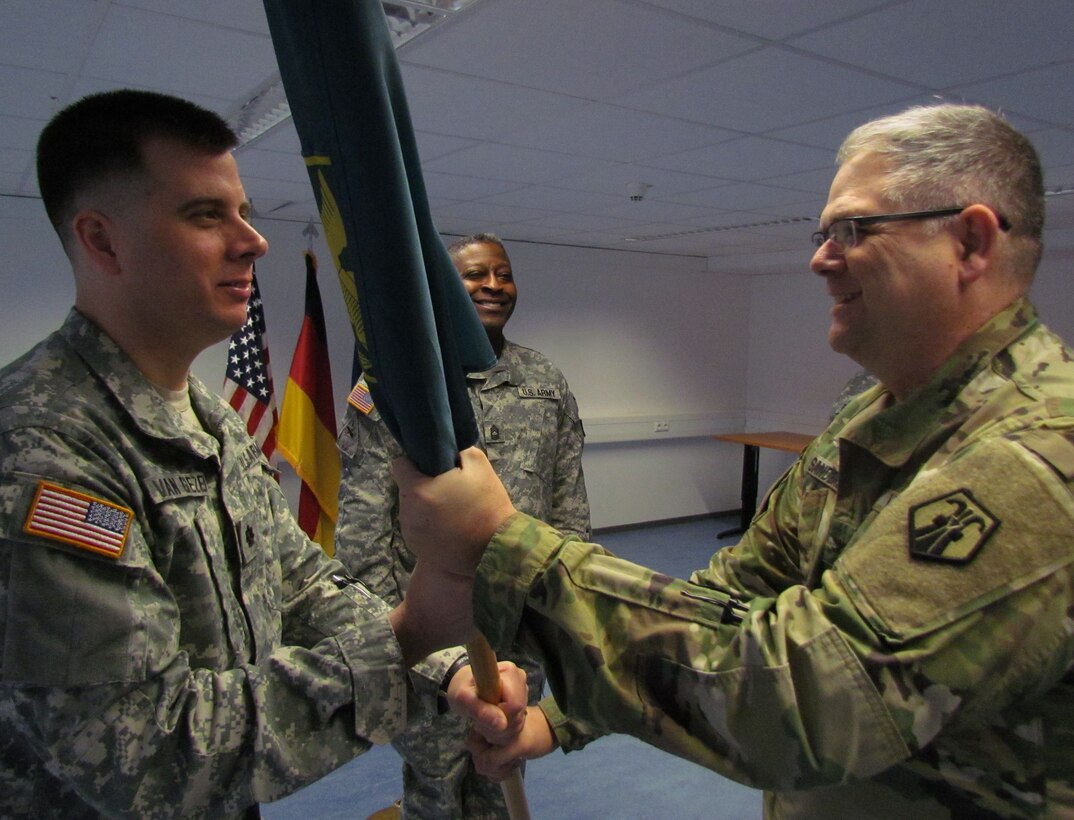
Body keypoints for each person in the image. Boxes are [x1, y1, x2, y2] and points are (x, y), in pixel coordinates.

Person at [392, 102, 1074, 818]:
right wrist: (561, 721)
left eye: (853, 228)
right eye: (823, 232)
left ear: (969, 242)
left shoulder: (1039, 451)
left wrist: (506, 545)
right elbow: (731, 598)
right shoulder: (873, 417)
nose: (819, 257)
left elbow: (810, 701)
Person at [0, 89, 524, 819]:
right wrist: (408, 636)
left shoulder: (208, 419)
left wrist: (444, 673)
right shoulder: (44, 447)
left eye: (241, 212)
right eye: (205, 215)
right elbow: (144, 761)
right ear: (102, 240)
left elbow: (300, 586)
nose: (253, 240)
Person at [336, 232, 590, 818]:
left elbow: (569, 514)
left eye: (502, 274)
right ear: (443, 291)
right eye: (475, 276)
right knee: (435, 783)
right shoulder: (396, 390)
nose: (493, 286)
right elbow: (360, 542)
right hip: (433, 639)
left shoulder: (545, 382)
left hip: (521, 633)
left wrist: (564, 622)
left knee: (502, 775)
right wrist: (405, 640)